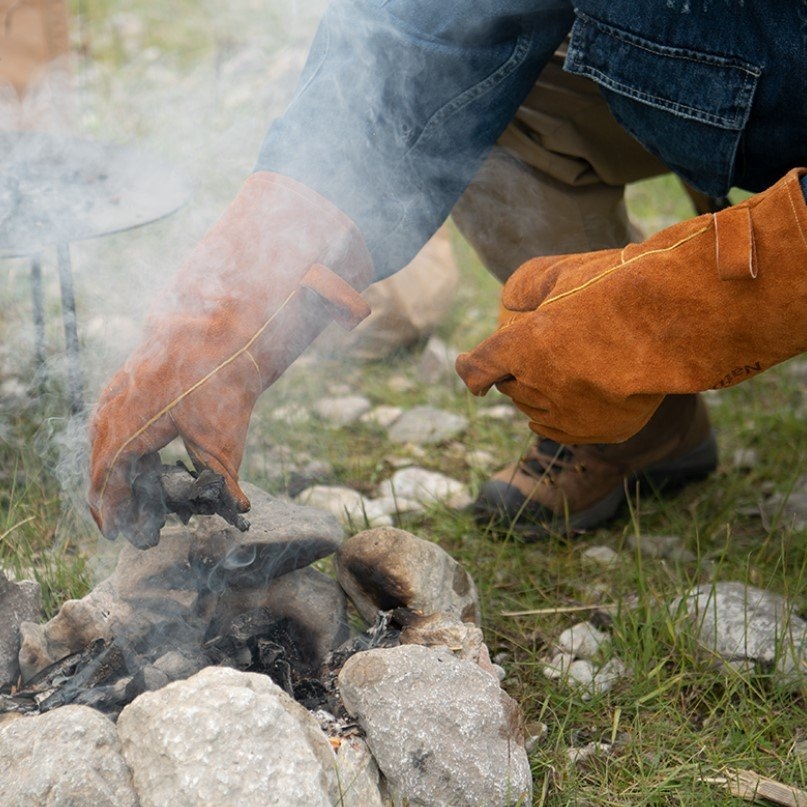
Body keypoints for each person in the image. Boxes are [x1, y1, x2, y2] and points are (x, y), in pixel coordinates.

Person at [87, 0, 807, 548]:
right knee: (484, 104)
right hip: (677, 66)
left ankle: (644, 364)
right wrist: (231, 299)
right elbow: (417, 43)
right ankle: (644, 429)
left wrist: (680, 311)